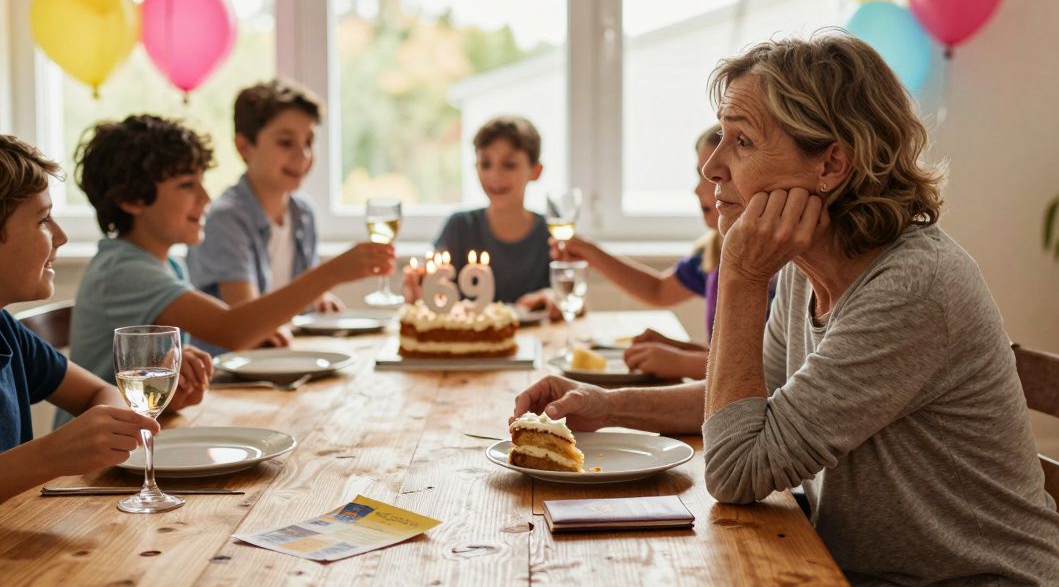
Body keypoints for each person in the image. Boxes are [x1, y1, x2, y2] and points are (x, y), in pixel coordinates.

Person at [514, 32, 1059, 587]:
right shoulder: (806, 273)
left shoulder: (913, 288)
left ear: (830, 164)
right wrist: (606, 405)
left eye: (743, 140)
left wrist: (739, 275)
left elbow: (735, 470)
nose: (712, 168)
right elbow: (757, 411)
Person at [68, 115, 393, 396]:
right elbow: (231, 328)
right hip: (97, 462)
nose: (206, 197)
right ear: (132, 200)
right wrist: (332, 273)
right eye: (186, 185)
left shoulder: (168, 265)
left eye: (202, 182)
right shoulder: (124, 270)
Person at [0, 135, 204, 504]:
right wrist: (47, 456)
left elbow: (98, 391)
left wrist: (118, 420)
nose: (60, 236)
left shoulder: (4, 329)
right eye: (43, 220)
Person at [553, 125, 725, 379]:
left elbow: (764, 369)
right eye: (698, 175)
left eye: (708, 178)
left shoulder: (771, 270)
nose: (696, 189)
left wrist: (681, 361)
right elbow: (658, 290)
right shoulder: (714, 251)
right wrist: (590, 253)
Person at [187, 79, 339, 350]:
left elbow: (300, 301)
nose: (302, 155)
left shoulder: (303, 213)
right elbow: (248, 323)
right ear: (245, 147)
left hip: (281, 361)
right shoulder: (225, 218)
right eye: (286, 142)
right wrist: (332, 275)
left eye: (309, 142)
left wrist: (320, 298)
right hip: (232, 376)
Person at [403, 116, 556, 313]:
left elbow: (571, 299)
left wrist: (552, 298)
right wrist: (418, 286)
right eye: (485, 164)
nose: (495, 176)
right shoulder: (459, 226)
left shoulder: (550, 234)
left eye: (509, 165)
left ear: (535, 171)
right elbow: (432, 283)